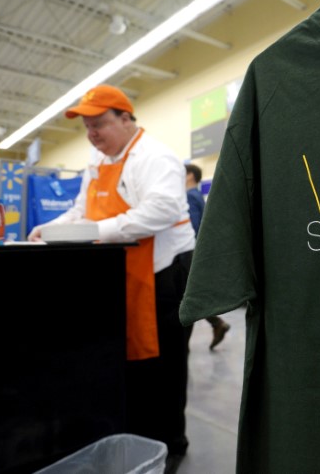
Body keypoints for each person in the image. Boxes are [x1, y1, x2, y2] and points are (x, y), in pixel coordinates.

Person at [29, 84, 195, 471]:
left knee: (166, 366)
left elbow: (163, 209)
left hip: (165, 274)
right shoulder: (97, 159)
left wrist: (97, 231)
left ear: (126, 119)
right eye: (87, 127)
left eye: (99, 124)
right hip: (122, 271)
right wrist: (49, 228)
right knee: (132, 364)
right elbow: (80, 209)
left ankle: (171, 445)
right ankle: (134, 434)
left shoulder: (154, 157)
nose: (93, 135)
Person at [185, 162, 230, 350]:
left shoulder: (189, 196)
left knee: (187, 295)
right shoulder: (197, 196)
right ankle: (216, 323)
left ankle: (216, 323)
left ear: (190, 176)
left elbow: (192, 225)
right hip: (198, 251)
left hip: (190, 251)